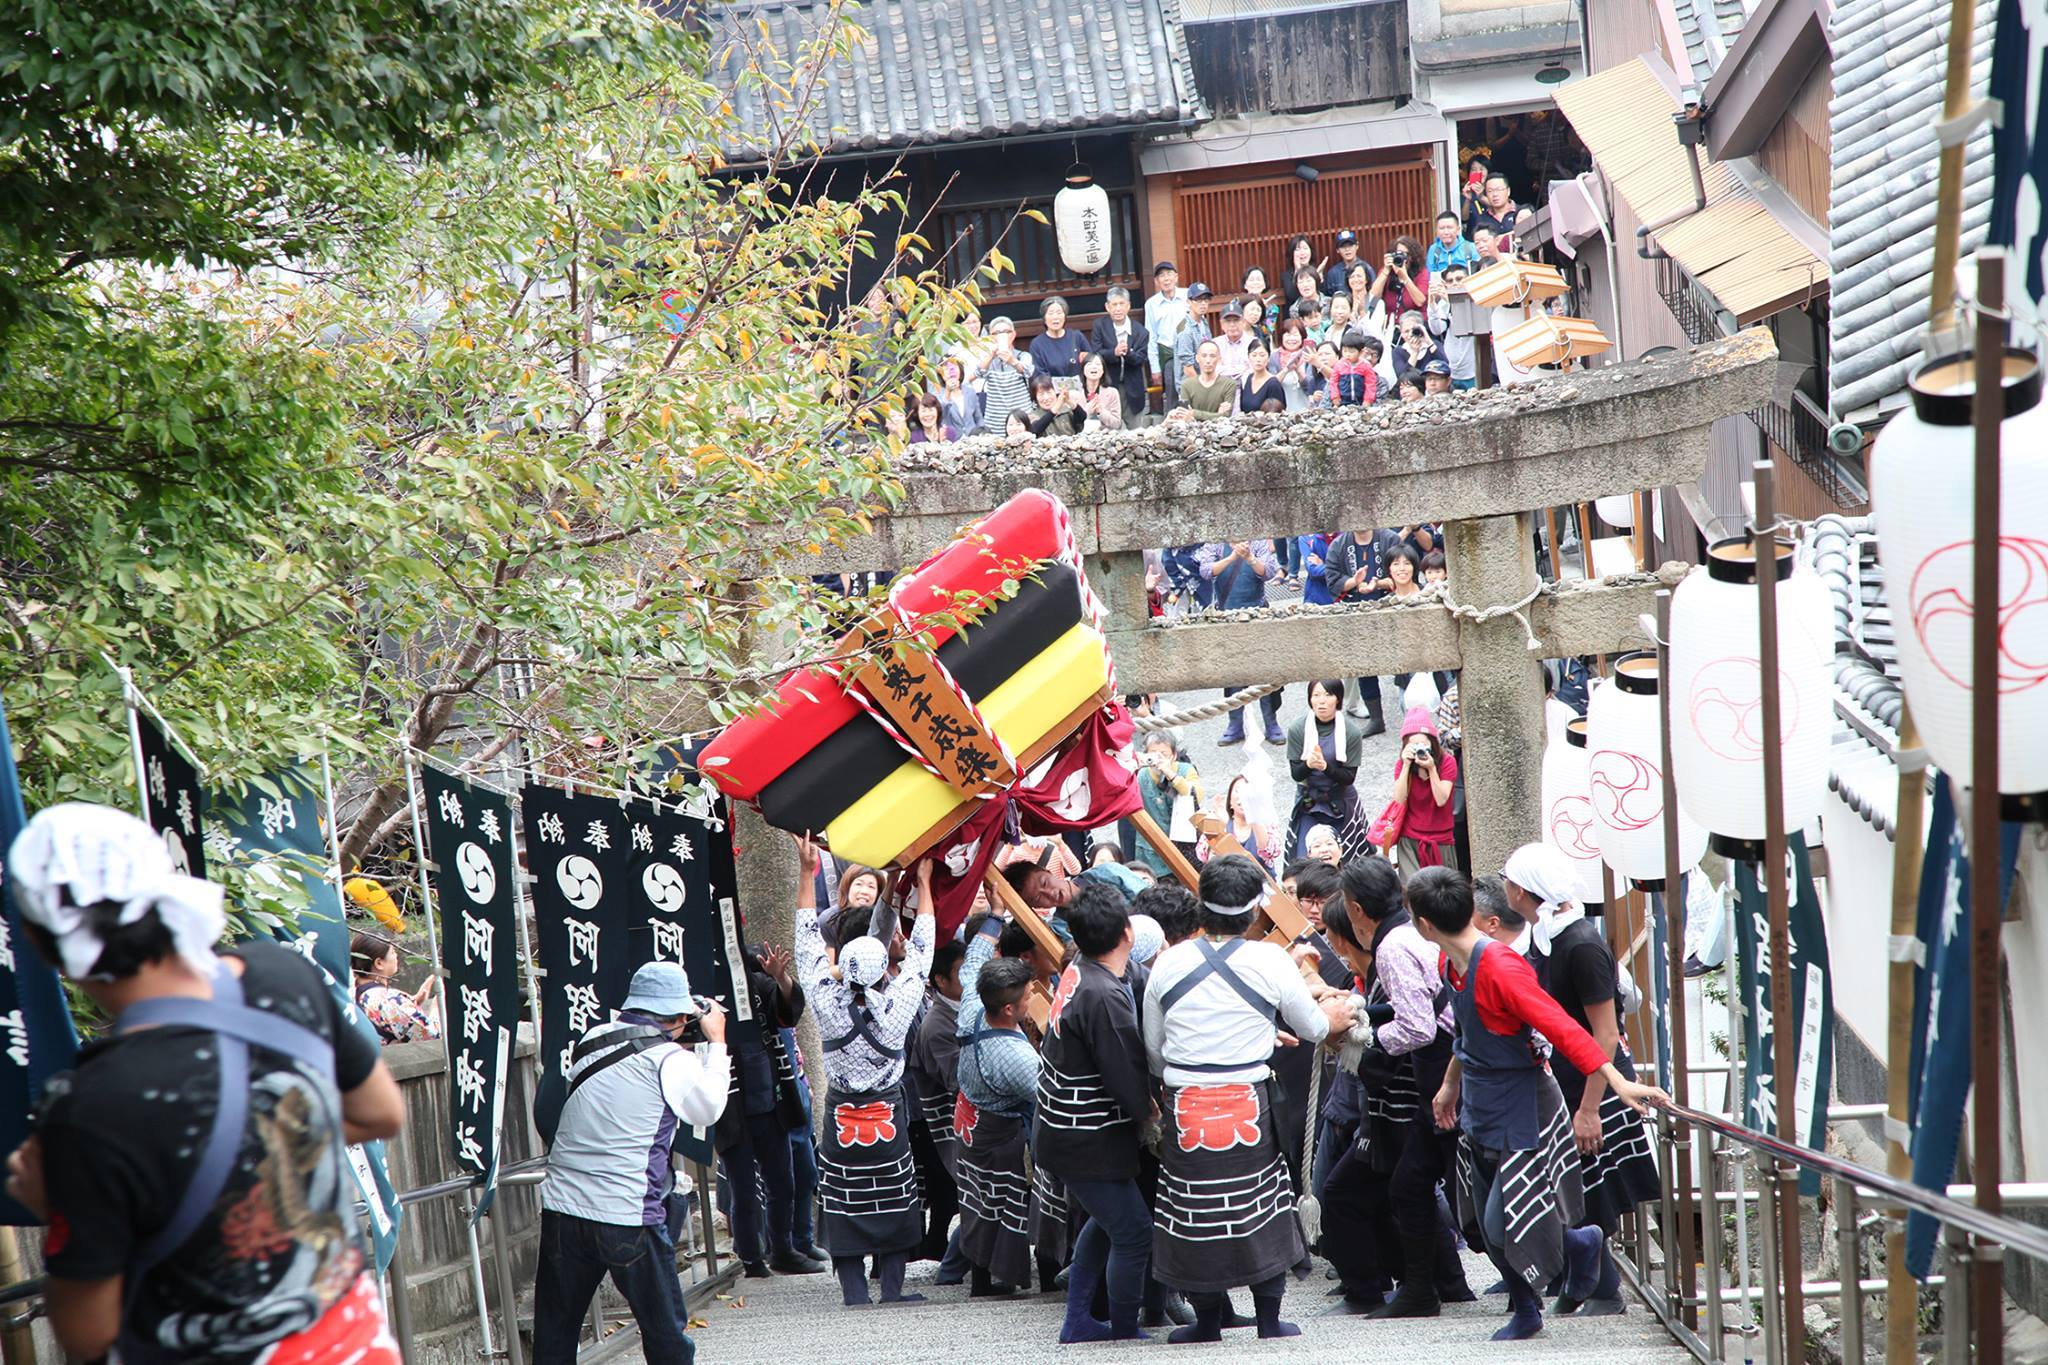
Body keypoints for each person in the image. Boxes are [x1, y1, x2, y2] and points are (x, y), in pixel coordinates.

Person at [5, 804, 408, 1365]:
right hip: (357, 1347)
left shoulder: (88, 1109)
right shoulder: (282, 977)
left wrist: (57, 1201)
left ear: (40, 943)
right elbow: (382, 1112)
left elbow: (88, 1338)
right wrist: (271, 1134)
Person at [1413, 866, 1670, 1341]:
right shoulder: (1449, 964)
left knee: (1502, 1219)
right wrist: (1450, 1085)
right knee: (1485, 1223)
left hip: (1524, 1100)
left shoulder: (1501, 967)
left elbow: (1563, 1027)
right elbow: (1465, 1033)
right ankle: (1574, 1249)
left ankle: (1540, 1297)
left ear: (1423, 924)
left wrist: (1617, 1082)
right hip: (1481, 1099)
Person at [1141, 855, 1356, 1342]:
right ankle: (1268, 1320)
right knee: (1259, 1204)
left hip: (1186, 1100)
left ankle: (1209, 1322)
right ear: (1255, 910)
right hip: (1248, 1100)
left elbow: (1154, 1053)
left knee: (1194, 1211)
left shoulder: (1169, 963)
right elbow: (1314, 1027)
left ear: (1202, 906)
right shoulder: (1270, 959)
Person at [531, 957, 728, 1364]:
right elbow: (707, 1111)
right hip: (628, 1212)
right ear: (677, 1014)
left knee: (556, 1332)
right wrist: (717, 1044)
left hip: (564, 1208)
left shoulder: (594, 1039)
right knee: (665, 1334)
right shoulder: (671, 1060)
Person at [1504, 844, 1661, 1316]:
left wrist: (1590, 1107)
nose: (1506, 888)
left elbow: (1607, 1032)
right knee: (1573, 1185)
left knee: (1586, 1186)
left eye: (1510, 882)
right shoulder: (1545, 935)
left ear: (1524, 891)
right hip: (1566, 1076)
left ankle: (1604, 1290)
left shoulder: (1581, 944)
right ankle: (1584, 1282)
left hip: (1595, 1080)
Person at [1320, 857, 1472, 1317]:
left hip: (1443, 1071)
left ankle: (1425, 1289)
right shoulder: (1407, 934)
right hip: (1446, 1068)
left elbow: (1419, 1028)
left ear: (1356, 909)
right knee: (1414, 1183)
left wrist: (1360, 1043)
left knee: (1445, 1183)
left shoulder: (1392, 947)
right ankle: (1429, 1288)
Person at [794, 838, 935, 1307]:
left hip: (841, 1114)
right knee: (896, 1194)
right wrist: (925, 885)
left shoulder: (823, 997)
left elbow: (805, 941)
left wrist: (806, 869)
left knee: (843, 1201)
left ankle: (855, 1293)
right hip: (887, 1111)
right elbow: (923, 948)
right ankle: (891, 1291)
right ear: (882, 966)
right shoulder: (901, 1001)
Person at [1036, 884, 1157, 1342]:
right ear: (1127, 931)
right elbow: (1124, 1075)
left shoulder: (1080, 970)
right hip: (1086, 1135)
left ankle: (1078, 1321)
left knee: (1109, 1224)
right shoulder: (1103, 994)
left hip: (1064, 1129)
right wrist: (1151, 1115)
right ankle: (1124, 1330)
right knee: (1132, 1232)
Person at [714, 943, 815, 1278]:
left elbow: (788, 1012)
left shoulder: (760, 985)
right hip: (732, 1108)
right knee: (743, 1191)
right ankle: (751, 1258)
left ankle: (783, 1250)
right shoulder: (709, 995)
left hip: (771, 1103)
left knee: (782, 1183)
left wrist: (781, 976)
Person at [954, 946, 1044, 1296]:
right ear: (1009, 1009)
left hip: (968, 1122)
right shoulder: (1017, 1057)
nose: (1031, 998)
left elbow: (973, 962)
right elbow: (1049, 1096)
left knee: (976, 1203)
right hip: (997, 1130)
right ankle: (995, 1280)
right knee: (999, 1203)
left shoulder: (973, 1008)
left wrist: (992, 917)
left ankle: (979, 1277)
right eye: (1026, 996)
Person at [909, 939, 969, 1270]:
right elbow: (961, 1080)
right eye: (962, 973)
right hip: (954, 1128)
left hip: (969, 1124)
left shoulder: (968, 1008)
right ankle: (953, 1266)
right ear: (940, 981)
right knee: (981, 1199)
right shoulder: (937, 1025)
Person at [1196, 539, 1284, 745]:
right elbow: (1206, 571)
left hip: (1258, 613)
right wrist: (1232, 557)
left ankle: (1271, 723)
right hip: (1227, 616)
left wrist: (1249, 558)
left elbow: (1270, 572)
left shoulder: (1259, 542)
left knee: (1265, 671)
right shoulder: (1215, 544)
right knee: (1232, 673)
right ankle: (1235, 724)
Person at [1324, 526, 1402, 733]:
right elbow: (1332, 579)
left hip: (1390, 608)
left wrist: (1377, 584)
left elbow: (1404, 571)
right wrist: (1353, 582)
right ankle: (1376, 719)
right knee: (1364, 667)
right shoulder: (1339, 545)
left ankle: (1412, 711)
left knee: (1405, 663)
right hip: (1356, 611)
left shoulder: (1389, 539)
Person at [1285, 680, 1364, 858]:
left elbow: (1349, 777)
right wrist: (1308, 765)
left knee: (1349, 858)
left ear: (1338, 699)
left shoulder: (1351, 732)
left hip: (1341, 800)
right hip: (1308, 800)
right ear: (1310, 699)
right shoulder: (1298, 729)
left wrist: (1326, 767)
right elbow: (1296, 773)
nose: (1322, 701)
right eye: (1316, 695)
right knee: (1304, 858)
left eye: (1328, 695)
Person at [1391, 706, 1460, 875]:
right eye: (1413, 744)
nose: (1419, 748)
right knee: (1411, 892)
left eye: (1423, 743)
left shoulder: (1447, 762)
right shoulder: (1403, 764)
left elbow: (1441, 799)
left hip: (1440, 839)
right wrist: (1406, 765)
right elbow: (1399, 799)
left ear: (1433, 743)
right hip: (1410, 837)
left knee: (1442, 893)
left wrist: (1431, 769)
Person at [351, 929, 441, 1043]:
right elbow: (433, 1036)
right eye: (393, 952)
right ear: (379, 963)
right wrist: (437, 1006)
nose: (396, 955)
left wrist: (413, 1004)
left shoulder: (353, 990)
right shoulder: (391, 1001)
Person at [1137, 730, 1203, 875]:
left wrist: (1170, 774)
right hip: (1152, 845)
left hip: (1184, 842)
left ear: (1173, 755)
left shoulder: (1186, 770)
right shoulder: (1141, 774)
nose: (1158, 757)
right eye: (1153, 753)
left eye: (1164, 754)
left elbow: (1196, 796)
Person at [1088, 286, 1150, 424]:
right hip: (1108, 385)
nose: (1118, 308)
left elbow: (1141, 359)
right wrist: (1113, 353)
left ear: (1128, 306)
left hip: (1132, 388)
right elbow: (1096, 353)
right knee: (1107, 430)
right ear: (1107, 307)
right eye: (1114, 304)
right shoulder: (1100, 326)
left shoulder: (1140, 331)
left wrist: (1128, 353)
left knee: (1135, 432)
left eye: (1121, 304)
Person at [1204, 772, 1280, 868]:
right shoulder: (1220, 820)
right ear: (1230, 800)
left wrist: (1254, 814)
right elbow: (1203, 854)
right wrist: (1221, 825)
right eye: (1238, 791)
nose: (1244, 796)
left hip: (1258, 880)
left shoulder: (1268, 824)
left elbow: (1269, 852)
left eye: (1249, 791)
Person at [1146, 262, 1190, 410]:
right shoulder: (1151, 304)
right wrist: (1155, 367)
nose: (1166, 279)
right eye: (1161, 276)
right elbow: (1151, 336)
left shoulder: (1188, 295)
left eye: (1169, 274)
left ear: (1176, 277)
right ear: (1156, 281)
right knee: (1171, 393)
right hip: (1168, 353)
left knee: (1193, 389)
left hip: (1190, 351)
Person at [1426, 263, 1478, 390]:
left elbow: (1468, 322)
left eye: (1459, 279)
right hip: (1453, 371)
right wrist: (1432, 303)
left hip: (1474, 370)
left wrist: (1450, 299)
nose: (1455, 283)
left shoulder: (1476, 300)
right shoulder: (1444, 303)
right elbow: (1437, 329)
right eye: (1450, 281)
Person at [980, 316, 1035, 433]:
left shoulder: (1023, 356)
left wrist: (1012, 360)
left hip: (1020, 418)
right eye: (996, 333)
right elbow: (979, 373)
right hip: (995, 420)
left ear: (1013, 334)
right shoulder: (987, 358)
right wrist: (991, 355)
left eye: (1006, 332)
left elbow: (1027, 371)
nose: (1001, 336)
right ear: (990, 337)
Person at [1171, 339, 1236, 420]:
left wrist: (1194, 413)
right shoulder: (1187, 385)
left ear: (1219, 358)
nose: (1208, 361)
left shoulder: (1229, 384)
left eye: (1212, 356)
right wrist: (1218, 415)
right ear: (1197, 358)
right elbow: (1184, 415)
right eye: (1204, 356)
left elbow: (1225, 416)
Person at [1029, 295, 1087, 379]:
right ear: (1044, 318)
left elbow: (1090, 361)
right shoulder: (1037, 344)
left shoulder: (1077, 336)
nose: (1055, 317)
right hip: (1051, 390)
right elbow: (1039, 374)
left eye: (1059, 313)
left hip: (1079, 389)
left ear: (1065, 316)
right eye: (1051, 313)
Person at [1172, 283, 1214, 388]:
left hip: (1204, 379)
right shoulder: (1185, 330)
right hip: (1190, 387)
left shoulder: (1203, 321)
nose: (1203, 304)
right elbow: (1188, 369)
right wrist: (1204, 388)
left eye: (1206, 300)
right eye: (1198, 300)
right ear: (1188, 302)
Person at [934, 356, 984, 436]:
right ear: (941, 374)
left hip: (973, 439)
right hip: (952, 442)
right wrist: (948, 392)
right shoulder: (937, 396)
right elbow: (941, 418)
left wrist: (982, 434)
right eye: (946, 369)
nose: (951, 371)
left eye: (954, 367)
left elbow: (978, 418)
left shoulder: (970, 392)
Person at [1024, 373, 1083, 438]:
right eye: (1041, 394)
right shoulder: (1033, 415)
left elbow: (1082, 417)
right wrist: (1055, 409)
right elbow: (1034, 430)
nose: (1046, 398)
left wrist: (1068, 400)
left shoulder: (1067, 410)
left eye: (1049, 392)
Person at [1077, 352, 1125, 431]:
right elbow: (1072, 424)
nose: (1094, 367)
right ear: (1083, 370)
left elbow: (1117, 424)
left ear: (1103, 370)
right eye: (1089, 364)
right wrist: (1086, 412)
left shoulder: (1112, 393)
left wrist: (1101, 411)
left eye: (1097, 364)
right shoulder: (1075, 394)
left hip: (1106, 438)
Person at [1329, 328, 1377, 406]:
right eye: (1345, 351)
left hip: (1361, 400)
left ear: (1361, 352)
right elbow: (1333, 382)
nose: (1347, 354)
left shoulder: (1366, 366)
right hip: (1342, 400)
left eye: (1351, 352)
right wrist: (1335, 396)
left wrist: (1368, 399)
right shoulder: (1339, 365)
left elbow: (1370, 383)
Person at [1236, 340, 1286, 414]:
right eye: (1254, 355)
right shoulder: (1248, 379)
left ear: (1268, 358)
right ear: (1248, 357)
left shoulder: (1273, 383)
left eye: (1262, 355)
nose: (1258, 359)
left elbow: (1277, 413)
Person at [1467, 174, 1520, 241]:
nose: (1495, 194)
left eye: (1499, 189)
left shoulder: (1521, 213)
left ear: (1508, 191)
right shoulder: (1482, 220)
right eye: (1490, 191)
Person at [1426, 210, 1480, 277]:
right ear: (1436, 231)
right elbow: (1431, 275)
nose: (1446, 232)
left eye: (1449, 228)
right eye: (1442, 228)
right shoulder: (1434, 250)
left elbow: (1478, 274)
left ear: (1458, 229)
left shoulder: (1470, 248)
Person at [1212, 301, 1253, 379]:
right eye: (1228, 321)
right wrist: (1243, 368)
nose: (1232, 325)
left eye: (1236, 320)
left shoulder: (1253, 343)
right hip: (1223, 388)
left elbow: (1254, 370)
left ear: (1243, 322)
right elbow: (1214, 371)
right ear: (1221, 324)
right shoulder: (1215, 344)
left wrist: (1225, 369)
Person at [1280, 235, 1319, 308]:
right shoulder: (1286, 276)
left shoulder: (1318, 271)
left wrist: (1319, 278)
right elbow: (1292, 296)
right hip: (1293, 316)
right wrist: (1298, 271)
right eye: (1298, 249)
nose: (1302, 252)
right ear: (1292, 253)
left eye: (1305, 248)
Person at [1322, 229, 1363, 298]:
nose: (1347, 249)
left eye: (1350, 245)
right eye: (1343, 246)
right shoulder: (1333, 273)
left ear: (1357, 246)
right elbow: (1328, 298)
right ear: (1337, 250)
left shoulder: (1366, 268)